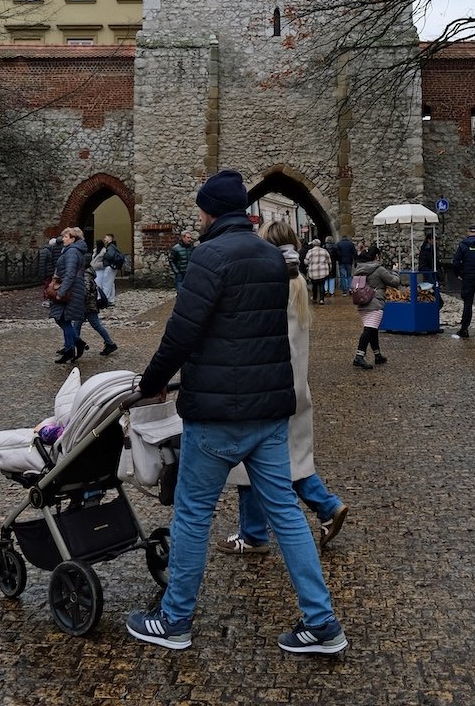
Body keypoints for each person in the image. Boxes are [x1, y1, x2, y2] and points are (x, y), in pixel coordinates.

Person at [126, 168, 347, 656]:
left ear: (210, 211)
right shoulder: (272, 259)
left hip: (217, 413)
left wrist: (150, 384)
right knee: (287, 514)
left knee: (192, 514)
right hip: (269, 411)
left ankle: (175, 619)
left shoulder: (209, 256)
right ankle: (322, 621)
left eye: (201, 208)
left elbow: (181, 333)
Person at [218, 220, 347, 556]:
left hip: (268, 386)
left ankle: (253, 533)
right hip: (294, 385)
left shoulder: (272, 283)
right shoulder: (297, 282)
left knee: (250, 459)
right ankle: (327, 507)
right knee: (290, 459)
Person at [352, 257, 405, 369]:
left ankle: (377, 355)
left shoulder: (360, 269)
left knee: (372, 329)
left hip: (362, 301)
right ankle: (359, 356)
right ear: (376, 256)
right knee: (369, 330)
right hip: (375, 302)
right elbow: (394, 282)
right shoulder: (379, 269)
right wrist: (395, 271)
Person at [49, 227, 87, 364]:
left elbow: (70, 274)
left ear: (73, 239)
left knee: (62, 320)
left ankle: (73, 346)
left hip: (70, 290)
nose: (63, 239)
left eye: (65, 237)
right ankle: (73, 346)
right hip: (73, 289)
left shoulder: (72, 252)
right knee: (62, 319)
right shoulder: (72, 250)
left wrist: (61, 292)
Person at [79, 265, 118, 356]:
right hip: (87, 306)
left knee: (95, 325)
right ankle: (71, 345)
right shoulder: (87, 274)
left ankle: (110, 343)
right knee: (77, 325)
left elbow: (86, 291)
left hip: (88, 306)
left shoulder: (86, 276)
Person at [92, 232, 121, 306]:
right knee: (110, 283)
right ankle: (110, 300)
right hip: (110, 266)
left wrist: (105, 257)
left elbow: (109, 256)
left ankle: (105, 300)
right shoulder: (112, 246)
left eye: (106, 237)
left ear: (110, 238)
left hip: (109, 266)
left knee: (106, 283)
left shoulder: (110, 247)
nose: (105, 239)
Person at [305, 238, 332, 305]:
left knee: (314, 285)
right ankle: (321, 300)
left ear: (313, 244)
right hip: (323, 271)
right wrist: (329, 268)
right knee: (321, 285)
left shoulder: (310, 251)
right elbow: (329, 261)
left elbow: (306, 261)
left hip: (313, 272)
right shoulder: (325, 251)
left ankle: (314, 298)